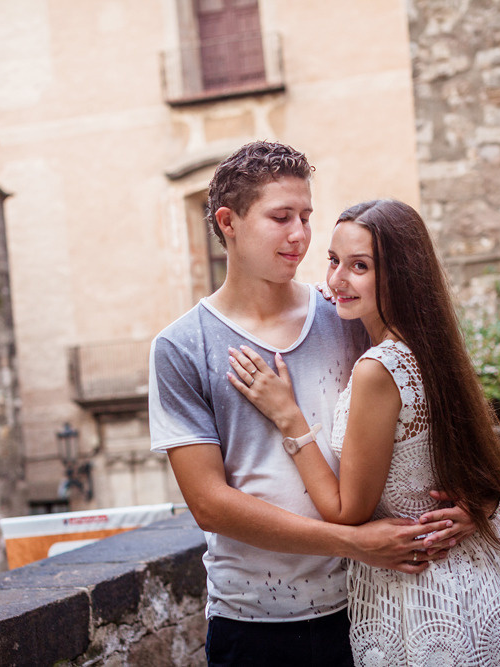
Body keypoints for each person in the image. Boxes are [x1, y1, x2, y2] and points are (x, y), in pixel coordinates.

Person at [148, 143, 478, 667]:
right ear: (228, 222)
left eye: (306, 216)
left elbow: (432, 412)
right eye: (281, 217)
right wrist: (352, 542)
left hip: (373, 605)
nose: (300, 234)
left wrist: (473, 503)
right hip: (253, 620)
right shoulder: (182, 346)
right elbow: (208, 503)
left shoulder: (344, 314)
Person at [227, 199, 500, 666]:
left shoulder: (379, 368)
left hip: (421, 596)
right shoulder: (430, 344)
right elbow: (479, 460)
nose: (338, 280)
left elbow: (346, 510)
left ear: (399, 274)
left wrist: (288, 416)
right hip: (483, 580)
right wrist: (483, 502)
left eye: (360, 266)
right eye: (334, 261)